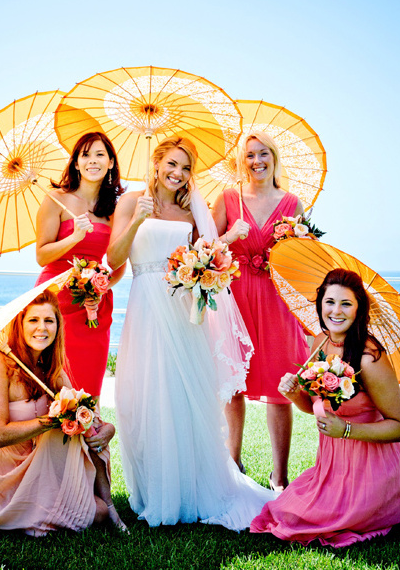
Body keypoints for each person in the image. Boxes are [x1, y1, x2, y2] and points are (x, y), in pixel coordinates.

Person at [107, 135, 273, 529]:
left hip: (182, 310)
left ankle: (194, 488)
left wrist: (221, 248)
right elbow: (113, 259)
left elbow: (207, 259)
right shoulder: (130, 201)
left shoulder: (190, 213)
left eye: (185, 168)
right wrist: (136, 221)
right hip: (145, 306)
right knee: (144, 398)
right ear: (157, 162)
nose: (178, 174)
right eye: (172, 165)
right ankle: (154, 489)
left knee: (184, 397)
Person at [250, 268, 400, 548]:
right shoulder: (322, 342)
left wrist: (347, 430)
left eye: (346, 303)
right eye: (330, 302)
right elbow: (316, 408)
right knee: (286, 510)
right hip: (331, 467)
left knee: (309, 522)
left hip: (372, 472)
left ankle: (392, 508)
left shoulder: (369, 359)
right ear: (320, 305)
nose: (336, 311)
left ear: (358, 309)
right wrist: (295, 395)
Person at [0, 289, 127, 536]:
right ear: (19, 324)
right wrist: (51, 420)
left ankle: (113, 509)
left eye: (48, 320)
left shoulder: (47, 365)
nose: (42, 328)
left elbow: (83, 409)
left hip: (37, 455)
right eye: (33, 320)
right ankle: (86, 506)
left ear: (57, 326)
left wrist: (108, 429)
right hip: (1, 471)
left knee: (81, 423)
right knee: (97, 512)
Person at [212, 131, 310, 490]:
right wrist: (229, 237)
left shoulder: (293, 203)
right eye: (250, 155)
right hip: (235, 298)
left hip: (276, 301)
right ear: (242, 162)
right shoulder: (226, 199)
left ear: (274, 157)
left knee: (280, 386)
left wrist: (300, 247)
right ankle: (233, 464)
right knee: (234, 385)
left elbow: (300, 263)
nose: (257, 162)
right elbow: (205, 248)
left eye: (263, 154)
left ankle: (280, 476)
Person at [35, 132, 125, 397]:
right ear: (75, 163)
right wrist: (75, 237)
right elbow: (42, 255)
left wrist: (100, 289)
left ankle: (87, 435)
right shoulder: (56, 200)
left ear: (110, 163)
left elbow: (118, 266)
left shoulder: (115, 210)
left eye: (100, 155)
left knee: (88, 382)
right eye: (85, 155)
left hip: (92, 308)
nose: (92, 161)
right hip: (54, 300)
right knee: (51, 382)